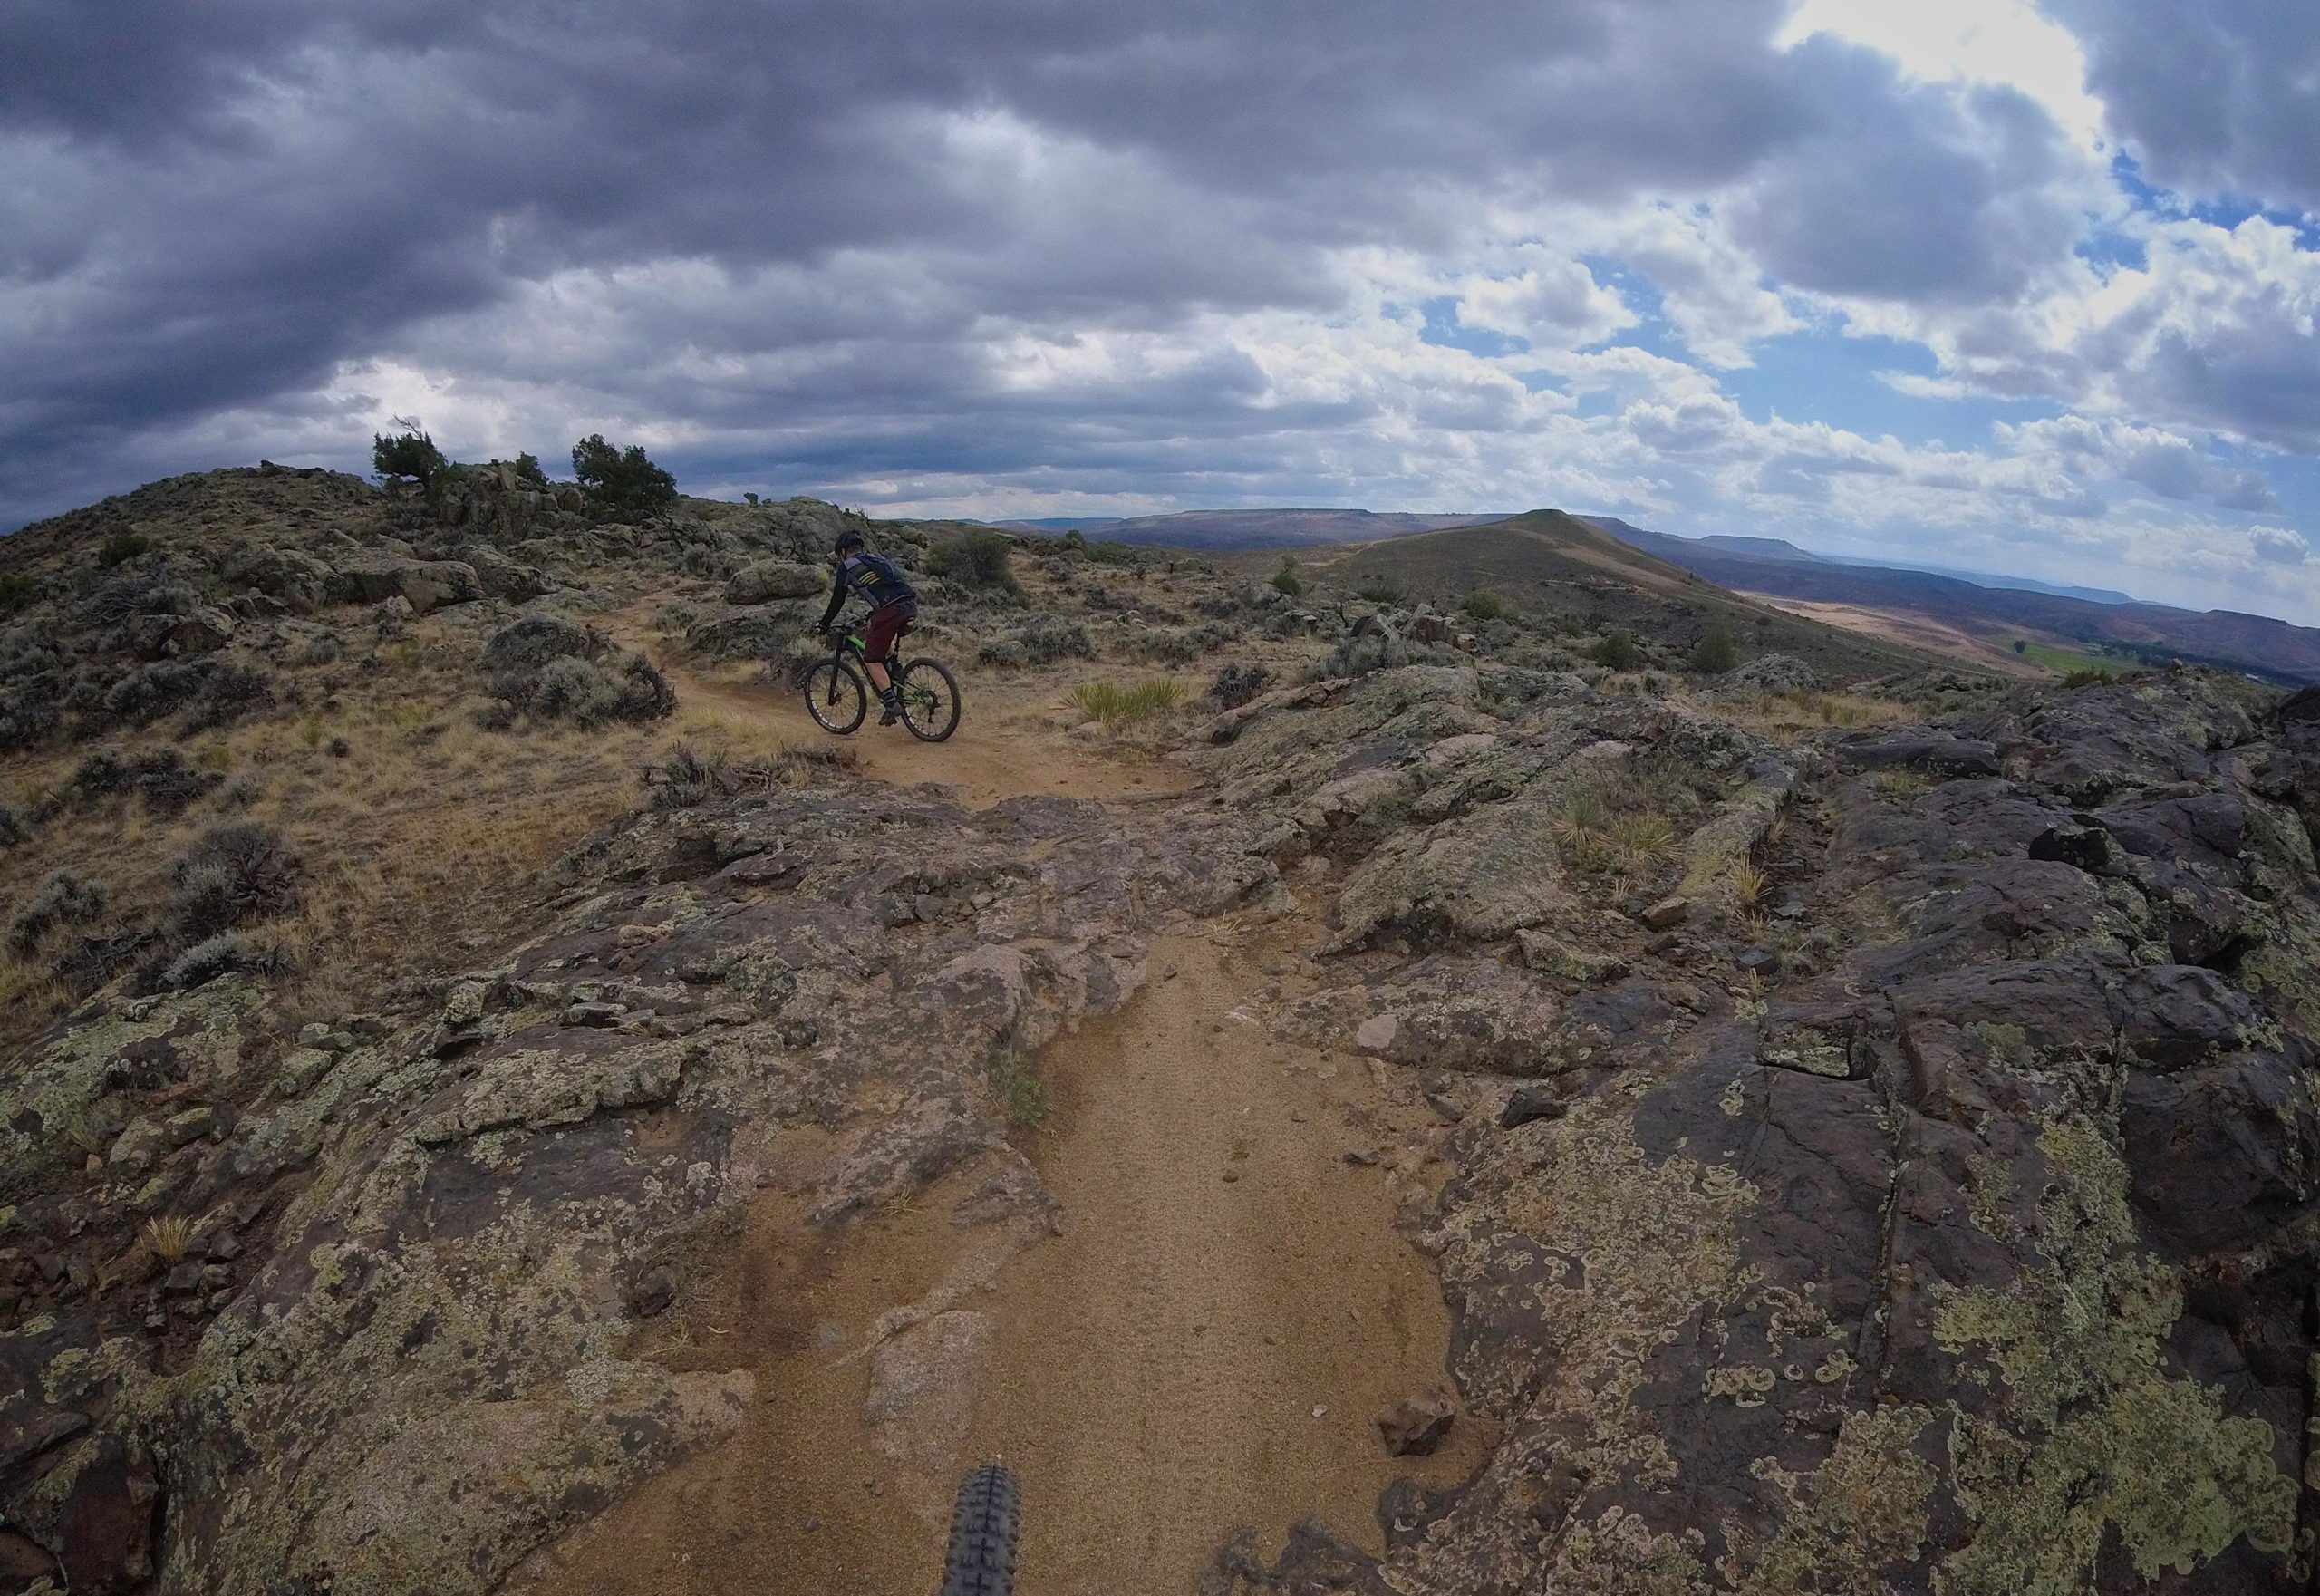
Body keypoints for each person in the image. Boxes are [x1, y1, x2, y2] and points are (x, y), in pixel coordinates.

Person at [816, 528, 921, 724]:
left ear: (843, 552)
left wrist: (824, 623)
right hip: (910, 604)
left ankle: (891, 704)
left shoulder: (847, 566)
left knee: (871, 659)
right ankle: (896, 671)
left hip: (890, 610)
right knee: (876, 629)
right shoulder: (875, 559)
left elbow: (838, 599)